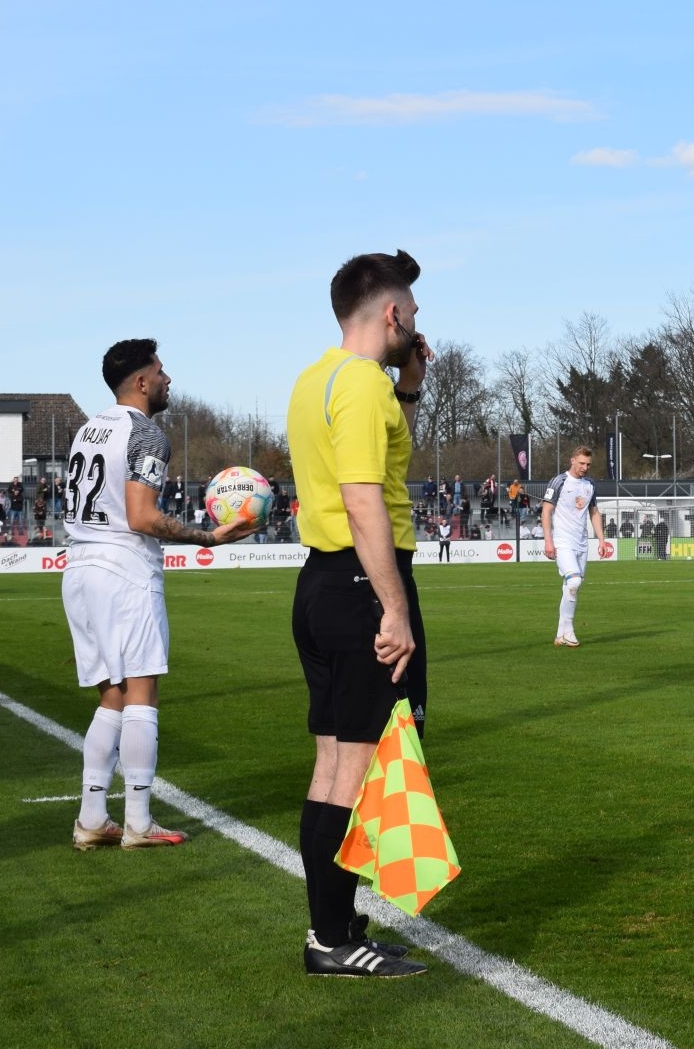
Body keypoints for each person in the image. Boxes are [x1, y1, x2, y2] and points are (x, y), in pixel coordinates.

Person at [284, 249, 431, 978]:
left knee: (333, 764)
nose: (418, 326)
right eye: (414, 314)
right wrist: (394, 609)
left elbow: (383, 461)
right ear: (392, 313)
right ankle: (331, 941)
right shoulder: (364, 385)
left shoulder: (317, 378)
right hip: (363, 587)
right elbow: (364, 496)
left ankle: (334, 926)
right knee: (363, 768)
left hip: (321, 583)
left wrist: (411, 387)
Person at [63, 338, 259, 855]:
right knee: (142, 694)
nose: (168, 379)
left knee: (112, 696)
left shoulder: (88, 429)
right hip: (123, 569)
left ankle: (91, 819)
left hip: (79, 566)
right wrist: (208, 537)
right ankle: (139, 822)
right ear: (141, 381)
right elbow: (142, 516)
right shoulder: (145, 432)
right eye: (161, 370)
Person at [542, 446, 606, 648]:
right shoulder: (559, 481)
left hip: (582, 543)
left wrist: (602, 540)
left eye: (588, 464)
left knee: (571, 587)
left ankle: (560, 634)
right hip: (563, 541)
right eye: (581, 463)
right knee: (574, 581)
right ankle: (569, 630)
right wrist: (548, 541)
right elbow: (546, 511)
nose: (585, 468)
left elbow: (594, 512)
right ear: (572, 461)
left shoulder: (590, 484)